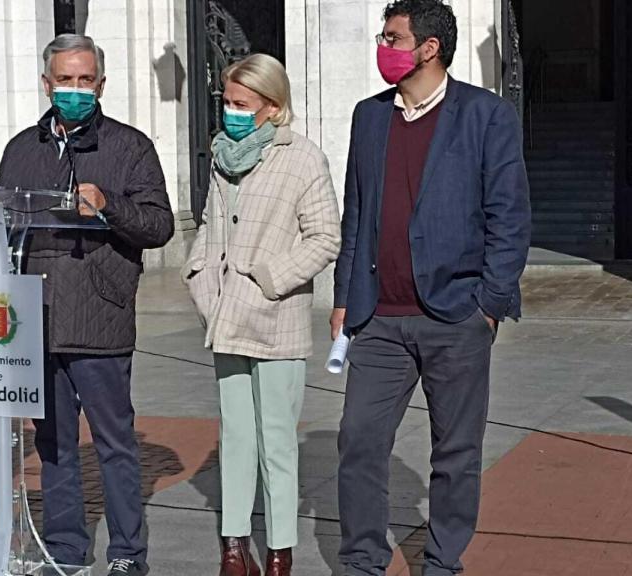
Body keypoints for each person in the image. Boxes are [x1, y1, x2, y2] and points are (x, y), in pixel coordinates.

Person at [331, 1, 531, 575]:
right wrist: (345, 297)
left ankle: (442, 562)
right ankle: (362, 561)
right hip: (378, 320)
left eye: (392, 37)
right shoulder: (369, 116)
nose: (382, 46)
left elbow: (509, 217)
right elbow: (357, 213)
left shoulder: (486, 115)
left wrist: (488, 306)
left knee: (456, 452)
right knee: (360, 442)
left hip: (456, 316)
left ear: (429, 47)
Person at [0, 34, 173, 576]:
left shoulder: (130, 147)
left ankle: (128, 553)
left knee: (115, 444)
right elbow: (5, 205)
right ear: (47, 83)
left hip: (99, 315)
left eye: (85, 81)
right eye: (65, 80)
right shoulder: (22, 147)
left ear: (101, 85)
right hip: (33, 316)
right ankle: (65, 549)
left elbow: (159, 225)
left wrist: (110, 206)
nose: (75, 90)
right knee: (52, 444)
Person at [183, 54, 341, 576]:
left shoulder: (303, 159)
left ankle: (279, 551)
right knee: (234, 436)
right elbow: (209, 225)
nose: (230, 111)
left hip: (277, 321)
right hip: (226, 317)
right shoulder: (222, 156)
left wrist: (270, 279)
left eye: (241, 104)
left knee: (276, 440)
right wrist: (201, 277)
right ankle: (233, 547)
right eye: (226, 101)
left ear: (272, 107)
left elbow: (325, 238)